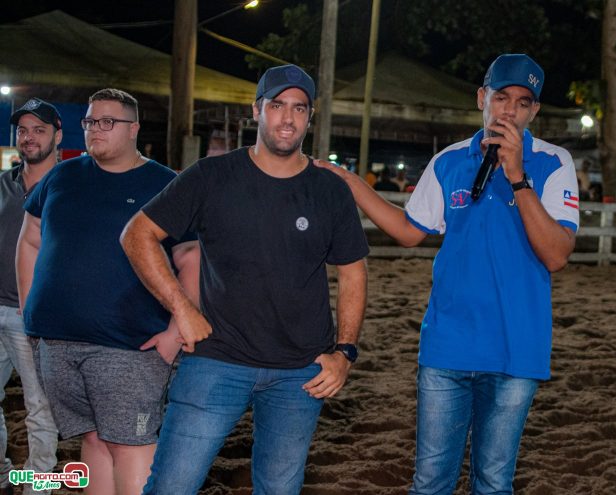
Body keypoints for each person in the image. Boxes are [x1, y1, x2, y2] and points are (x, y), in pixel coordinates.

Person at [316, 53, 579, 494]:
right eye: (501, 97)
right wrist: (350, 181)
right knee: (430, 482)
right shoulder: (449, 161)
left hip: (517, 348)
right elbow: (408, 231)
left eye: (522, 101)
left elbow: (556, 254)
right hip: (447, 345)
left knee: (493, 482)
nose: (510, 110)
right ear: (482, 99)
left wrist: (517, 176)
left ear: (534, 111)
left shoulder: (553, 162)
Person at [120, 64, 369, 495]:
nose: (287, 118)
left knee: (279, 488)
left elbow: (352, 271)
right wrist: (182, 309)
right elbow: (137, 234)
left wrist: (345, 351)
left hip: (301, 372)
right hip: (217, 358)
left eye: (299, 108)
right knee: (171, 486)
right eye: (277, 106)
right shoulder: (211, 176)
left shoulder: (329, 191)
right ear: (257, 110)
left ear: (310, 117)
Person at [15, 88, 200, 495]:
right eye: (89, 121)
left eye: (106, 122)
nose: (94, 130)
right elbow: (30, 239)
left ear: (133, 128)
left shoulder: (165, 183)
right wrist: (30, 310)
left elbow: (191, 258)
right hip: (58, 343)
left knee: (131, 445)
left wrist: (174, 332)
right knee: (94, 439)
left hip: (130, 346)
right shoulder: (62, 176)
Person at [0, 98, 60, 495]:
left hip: (35, 313)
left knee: (40, 406)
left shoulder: (70, 183)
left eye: (39, 129)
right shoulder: (4, 182)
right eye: (23, 130)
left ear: (57, 134)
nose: (29, 137)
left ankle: (38, 484)